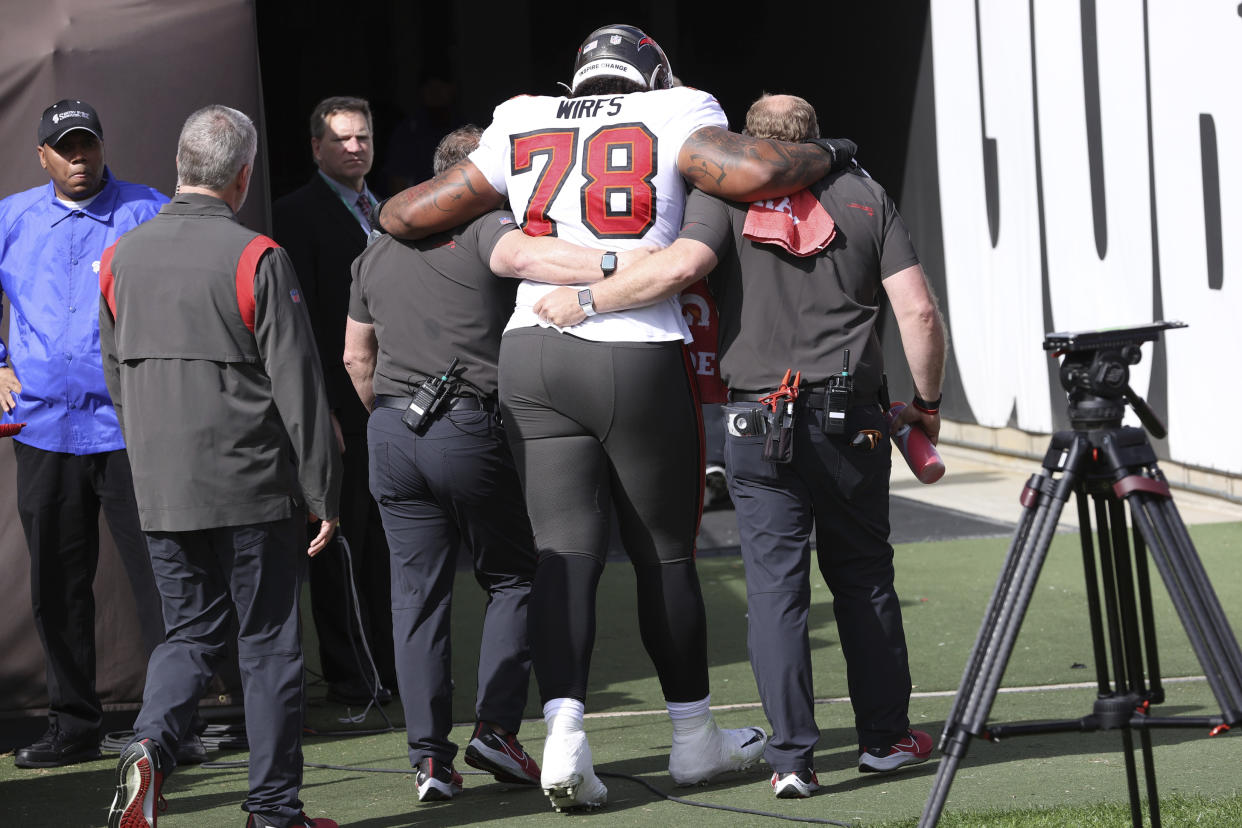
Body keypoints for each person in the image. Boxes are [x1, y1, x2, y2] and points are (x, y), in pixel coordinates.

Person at [376, 24, 857, 812]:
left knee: (562, 552)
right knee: (665, 554)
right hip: (633, 346)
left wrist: (512, 234)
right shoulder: (679, 108)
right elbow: (759, 169)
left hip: (532, 347)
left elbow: (404, 214)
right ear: (654, 75)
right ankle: (694, 736)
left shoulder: (522, 113)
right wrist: (833, 150)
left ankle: (564, 735)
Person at [536, 93, 948, 799]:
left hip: (758, 418)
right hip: (854, 418)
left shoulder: (720, 198)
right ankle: (884, 740)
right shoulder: (863, 191)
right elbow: (917, 309)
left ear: (745, 145)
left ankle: (791, 759)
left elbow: (674, 269)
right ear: (813, 139)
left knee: (775, 592)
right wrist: (931, 404)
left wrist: (586, 300)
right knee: (863, 579)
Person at [344, 125, 646, 804]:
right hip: (464, 422)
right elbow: (526, 258)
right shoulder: (484, 229)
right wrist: (617, 263)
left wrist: (391, 423)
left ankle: (428, 761)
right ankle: (496, 729)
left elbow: (354, 358)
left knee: (414, 599)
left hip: (391, 429)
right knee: (515, 574)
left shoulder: (376, 249)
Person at [100, 105, 342, 828]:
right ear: (244, 177)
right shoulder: (256, 255)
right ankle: (273, 812)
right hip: (253, 488)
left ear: (180, 167)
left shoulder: (120, 258)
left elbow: (117, 376)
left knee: (189, 635)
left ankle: (150, 743)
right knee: (268, 647)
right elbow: (299, 386)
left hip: (163, 488)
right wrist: (321, 490)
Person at [0, 98, 194, 770]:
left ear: (103, 146)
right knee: (57, 583)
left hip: (132, 428)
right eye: (66, 147)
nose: (79, 158)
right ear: (43, 155)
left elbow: (188, 294)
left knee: (162, 578)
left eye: (88, 145)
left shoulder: (147, 209)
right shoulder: (13, 216)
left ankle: (174, 724)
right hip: (45, 429)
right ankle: (72, 723)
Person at [272, 95, 395, 707]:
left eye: (363, 136)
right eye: (342, 139)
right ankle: (353, 677)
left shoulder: (392, 208)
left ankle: (392, 669)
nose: (355, 147)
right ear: (316, 147)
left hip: (395, 405)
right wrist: (319, 414)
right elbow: (298, 329)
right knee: (343, 544)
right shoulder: (292, 216)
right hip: (338, 415)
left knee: (394, 545)